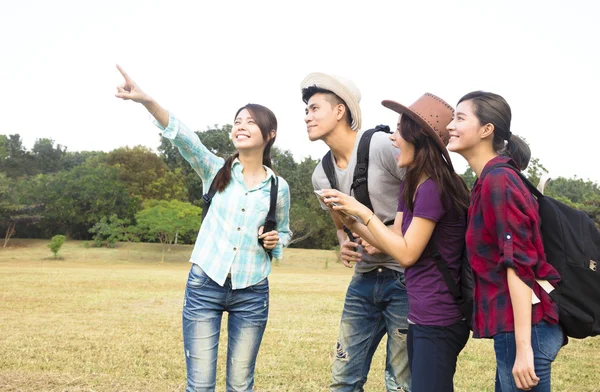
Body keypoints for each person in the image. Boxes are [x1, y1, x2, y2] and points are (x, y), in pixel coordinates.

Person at [115, 65, 292, 392]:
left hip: (252, 291)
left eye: (250, 122)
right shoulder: (214, 169)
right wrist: (146, 101)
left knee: (240, 385)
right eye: (237, 121)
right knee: (199, 386)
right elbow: (185, 138)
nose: (241, 126)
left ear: (270, 135)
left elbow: (283, 232)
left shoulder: (278, 187)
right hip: (204, 285)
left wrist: (274, 240)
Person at [322, 93, 472, 392]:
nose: (392, 139)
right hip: (421, 313)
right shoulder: (413, 183)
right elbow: (395, 240)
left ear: (418, 138)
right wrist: (348, 219)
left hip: (439, 318)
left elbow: (406, 255)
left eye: (399, 131)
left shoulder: (434, 187)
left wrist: (363, 211)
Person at [446, 91, 563, 391]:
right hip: (515, 330)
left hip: (525, 331)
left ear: (486, 130)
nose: (450, 125)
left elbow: (519, 266)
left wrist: (524, 349)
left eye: (460, 118)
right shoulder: (487, 180)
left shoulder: (499, 181)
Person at [301, 72, 410, 392]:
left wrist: (388, 237)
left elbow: (422, 191)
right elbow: (341, 224)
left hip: (404, 280)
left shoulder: (380, 145)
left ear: (340, 111)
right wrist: (344, 243)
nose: (307, 116)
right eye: (305, 111)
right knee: (343, 380)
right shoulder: (321, 175)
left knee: (400, 383)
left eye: (314, 108)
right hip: (363, 281)